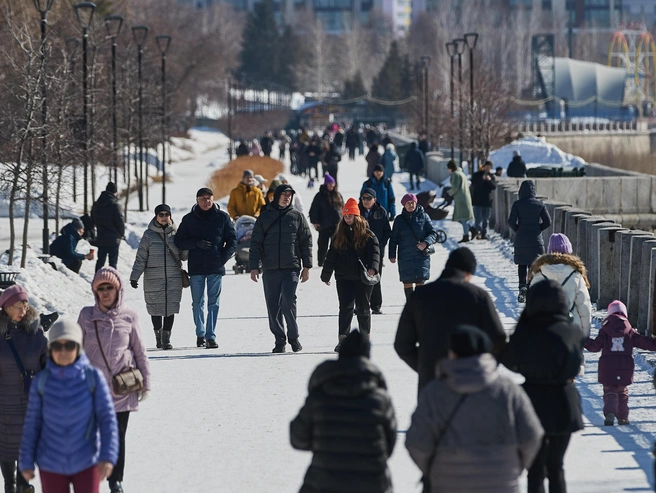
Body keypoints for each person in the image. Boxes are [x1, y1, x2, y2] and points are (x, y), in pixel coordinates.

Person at [406, 325, 544, 493]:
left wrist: (434, 471)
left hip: (448, 483)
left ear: (452, 353)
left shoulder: (435, 392)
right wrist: (514, 467)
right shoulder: (508, 390)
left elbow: (417, 443)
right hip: (501, 483)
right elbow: (532, 435)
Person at [501, 280, 584, 493]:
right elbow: (575, 367)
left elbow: (509, 359)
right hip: (563, 401)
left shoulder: (525, 331)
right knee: (556, 466)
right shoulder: (572, 332)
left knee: (535, 469)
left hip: (532, 400)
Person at [290, 330, 396, 493]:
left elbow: (297, 437)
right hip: (371, 483)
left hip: (324, 482)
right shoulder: (380, 400)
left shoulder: (320, 396)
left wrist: (323, 444)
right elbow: (389, 445)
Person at [19, 320, 119, 493]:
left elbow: (107, 420)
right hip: (50, 463)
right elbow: (32, 424)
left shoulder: (93, 377)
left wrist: (108, 456)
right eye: (57, 346)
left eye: (70, 345)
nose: (63, 351)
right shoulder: (41, 381)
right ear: (51, 349)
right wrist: (26, 461)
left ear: (78, 347)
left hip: (87, 461)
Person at [77, 267, 151, 493]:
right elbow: (75, 351)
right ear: (95, 291)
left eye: (110, 287)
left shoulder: (129, 315)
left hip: (122, 388)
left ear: (118, 290)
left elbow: (140, 351)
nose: (106, 292)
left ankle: (115, 481)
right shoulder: (86, 316)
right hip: (93, 389)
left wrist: (146, 383)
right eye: (101, 288)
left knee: (117, 436)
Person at [395, 247, 506, 393]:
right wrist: (480, 369)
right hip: (471, 385)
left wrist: (425, 367)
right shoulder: (478, 296)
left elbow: (402, 344)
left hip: (431, 383)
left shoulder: (420, 295)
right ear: (468, 272)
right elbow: (498, 340)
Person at [249, 184, 312, 353]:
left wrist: (307, 266)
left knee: (288, 300)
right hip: (270, 268)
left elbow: (306, 241)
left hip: (291, 267)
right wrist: (254, 266)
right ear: (276, 196)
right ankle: (279, 340)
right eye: (284, 194)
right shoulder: (264, 217)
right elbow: (256, 243)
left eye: (289, 195)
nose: (287, 197)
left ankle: (293, 337)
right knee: (273, 306)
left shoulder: (297, 217)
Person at [175, 187, 237, 348]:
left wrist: (222, 258)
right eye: (203, 198)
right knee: (197, 303)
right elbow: (179, 241)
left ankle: (211, 336)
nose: (206, 201)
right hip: (196, 267)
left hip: (215, 266)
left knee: (213, 302)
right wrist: (195, 243)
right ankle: (200, 333)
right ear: (197, 200)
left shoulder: (222, 217)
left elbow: (232, 240)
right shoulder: (188, 219)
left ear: (213, 199)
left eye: (209, 198)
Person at [0, 285, 47, 493]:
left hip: (31, 399)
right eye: (18, 307)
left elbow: (47, 362)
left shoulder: (36, 332)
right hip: (4, 400)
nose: (23, 311)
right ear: (6, 308)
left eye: (25, 306)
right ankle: (10, 484)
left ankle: (21, 484)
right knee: (6, 444)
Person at [321, 199, 380, 351]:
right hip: (344, 277)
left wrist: (373, 268)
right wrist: (326, 275)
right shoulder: (338, 235)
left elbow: (375, 252)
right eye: (345, 216)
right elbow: (331, 255)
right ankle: (343, 340)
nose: (347, 218)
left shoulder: (368, 235)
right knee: (345, 308)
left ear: (357, 216)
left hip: (363, 277)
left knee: (363, 309)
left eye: (350, 215)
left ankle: (364, 340)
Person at [584, 300, 656, 426]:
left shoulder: (605, 331)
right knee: (622, 392)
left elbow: (594, 347)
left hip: (607, 368)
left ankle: (610, 413)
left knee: (610, 390)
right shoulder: (630, 331)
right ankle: (623, 418)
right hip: (625, 368)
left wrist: (583, 340)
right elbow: (644, 342)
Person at [130, 204, 187, 350]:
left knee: (170, 307)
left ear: (170, 216)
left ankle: (166, 339)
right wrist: (135, 276)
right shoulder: (148, 235)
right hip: (153, 277)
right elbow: (141, 258)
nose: (164, 217)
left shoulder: (176, 234)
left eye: (166, 214)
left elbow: (183, 256)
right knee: (155, 308)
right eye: (161, 214)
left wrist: (187, 244)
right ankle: (158, 337)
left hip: (173, 277)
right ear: (156, 217)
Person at [529, 233, 592, 337]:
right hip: (571, 331)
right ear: (568, 252)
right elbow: (584, 308)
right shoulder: (575, 275)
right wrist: (585, 336)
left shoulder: (538, 276)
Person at [508, 180, 552, 303]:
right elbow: (548, 222)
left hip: (521, 240)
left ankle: (522, 288)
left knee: (522, 265)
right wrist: (538, 229)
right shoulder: (539, 204)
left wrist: (518, 230)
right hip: (536, 241)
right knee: (534, 266)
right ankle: (532, 289)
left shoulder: (517, 204)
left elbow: (511, 222)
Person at [388, 193, 437, 301]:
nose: (411, 205)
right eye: (408, 203)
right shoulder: (399, 220)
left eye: (413, 202)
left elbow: (433, 233)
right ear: (404, 205)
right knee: (407, 282)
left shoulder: (424, 217)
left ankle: (419, 306)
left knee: (420, 281)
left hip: (421, 256)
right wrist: (392, 254)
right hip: (405, 256)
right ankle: (410, 306)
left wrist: (425, 243)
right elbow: (393, 239)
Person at [359, 189, 391, 315]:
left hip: (376, 251)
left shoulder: (381, 212)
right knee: (359, 279)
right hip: (360, 250)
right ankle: (360, 305)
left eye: (369, 198)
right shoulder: (357, 211)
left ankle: (376, 306)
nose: (366, 201)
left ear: (374, 199)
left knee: (375, 278)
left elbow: (387, 231)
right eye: (364, 198)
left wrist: (380, 244)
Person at [309, 174, 344, 267]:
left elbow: (343, 208)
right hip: (324, 225)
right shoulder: (319, 196)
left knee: (336, 245)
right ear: (326, 184)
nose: (331, 185)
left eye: (332, 183)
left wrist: (345, 220)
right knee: (322, 245)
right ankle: (321, 263)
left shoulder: (338, 195)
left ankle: (336, 261)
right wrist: (315, 221)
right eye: (329, 183)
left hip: (336, 224)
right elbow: (314, 210)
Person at [90, 182, 125, 272]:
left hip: (101, 237)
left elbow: (93, 220)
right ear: (115, 192)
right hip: (113, 238)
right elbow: (120, 222)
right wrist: (121, 234)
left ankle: (97, 278)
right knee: (112, 263)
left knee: (100, 261)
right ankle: (112, 279)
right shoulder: (115, 205)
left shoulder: (97, 204)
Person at [446, 160, 475, 243]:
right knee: (460, 218)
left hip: (461, 199)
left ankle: (466, 235)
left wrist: (448, 193)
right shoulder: (461, 173)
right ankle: (472, 229)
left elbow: (455, 187)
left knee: (463, 218)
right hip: (463, 197)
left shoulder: (455, 174)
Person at [470, 160, 497, 240]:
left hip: (487, 201)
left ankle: (483, 234)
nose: (488, 168)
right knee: (478, 219)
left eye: (489, 167)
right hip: (478, 201)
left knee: (486, 219)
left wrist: (489, 180)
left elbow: (493, 187)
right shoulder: (477, 175)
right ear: (483, 167)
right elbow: (474, 184)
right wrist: (482, 179)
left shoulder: (491, 176)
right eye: (487, 167)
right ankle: (478, 231)